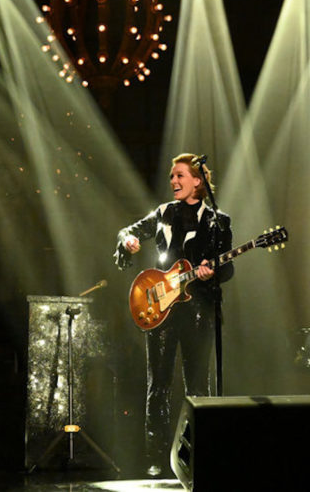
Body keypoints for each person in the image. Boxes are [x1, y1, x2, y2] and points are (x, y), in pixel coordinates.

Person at [114, 153, 233, 476]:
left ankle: (197, 455)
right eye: (171, 176)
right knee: (159, 385)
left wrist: (213, 272)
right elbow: (127, 231)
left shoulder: (218, 221)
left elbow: (228, 266)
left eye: (180, 175)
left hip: (199, 310)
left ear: (198, 180)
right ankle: (157, 459)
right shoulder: (163, 213)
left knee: (198, 385)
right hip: (161, 309)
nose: (174, 181)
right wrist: (128, 240)